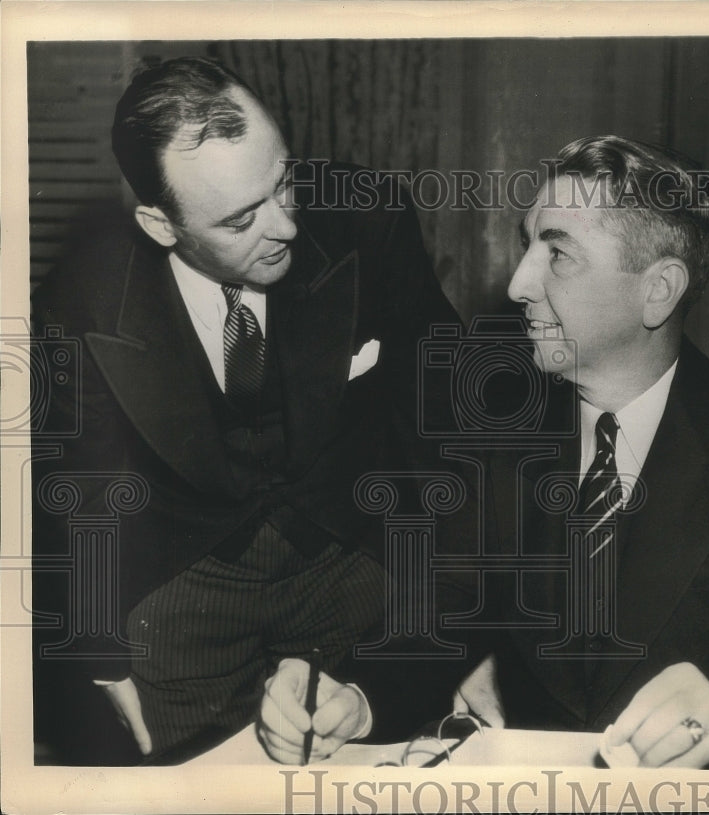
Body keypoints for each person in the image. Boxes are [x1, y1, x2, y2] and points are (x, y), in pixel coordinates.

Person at [259, 135, 709, 768]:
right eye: (527, 244)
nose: (519, 282)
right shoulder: (498, 435)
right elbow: (445, 625)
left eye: (558, 253)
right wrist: (357, 699)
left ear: (658, 291)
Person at [31, 56, 459, 764]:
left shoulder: (367, 218)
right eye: (240, 219)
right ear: (160, 224)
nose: (287, 224)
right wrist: (102, 664)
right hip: (184, 580)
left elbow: (445, 420)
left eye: (283, 181)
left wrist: (454, 626)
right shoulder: (81, 299)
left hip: (344, 554)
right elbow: (67, 496)